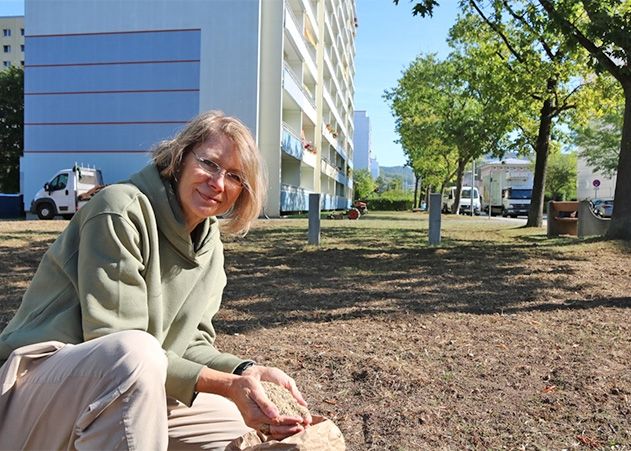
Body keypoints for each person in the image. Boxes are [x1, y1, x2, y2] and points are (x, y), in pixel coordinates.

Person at [0, 111, 312, 450]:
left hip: (128, 382)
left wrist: (246, 372)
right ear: (179, 158)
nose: (218, 183)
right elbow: (116, 341)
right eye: (209, 164)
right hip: (29, 392)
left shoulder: (210, 246)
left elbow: (191, 345)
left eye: (235, 176)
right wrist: (225, 384)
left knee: (236, 423)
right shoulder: (120, 209)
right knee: (135, 353)